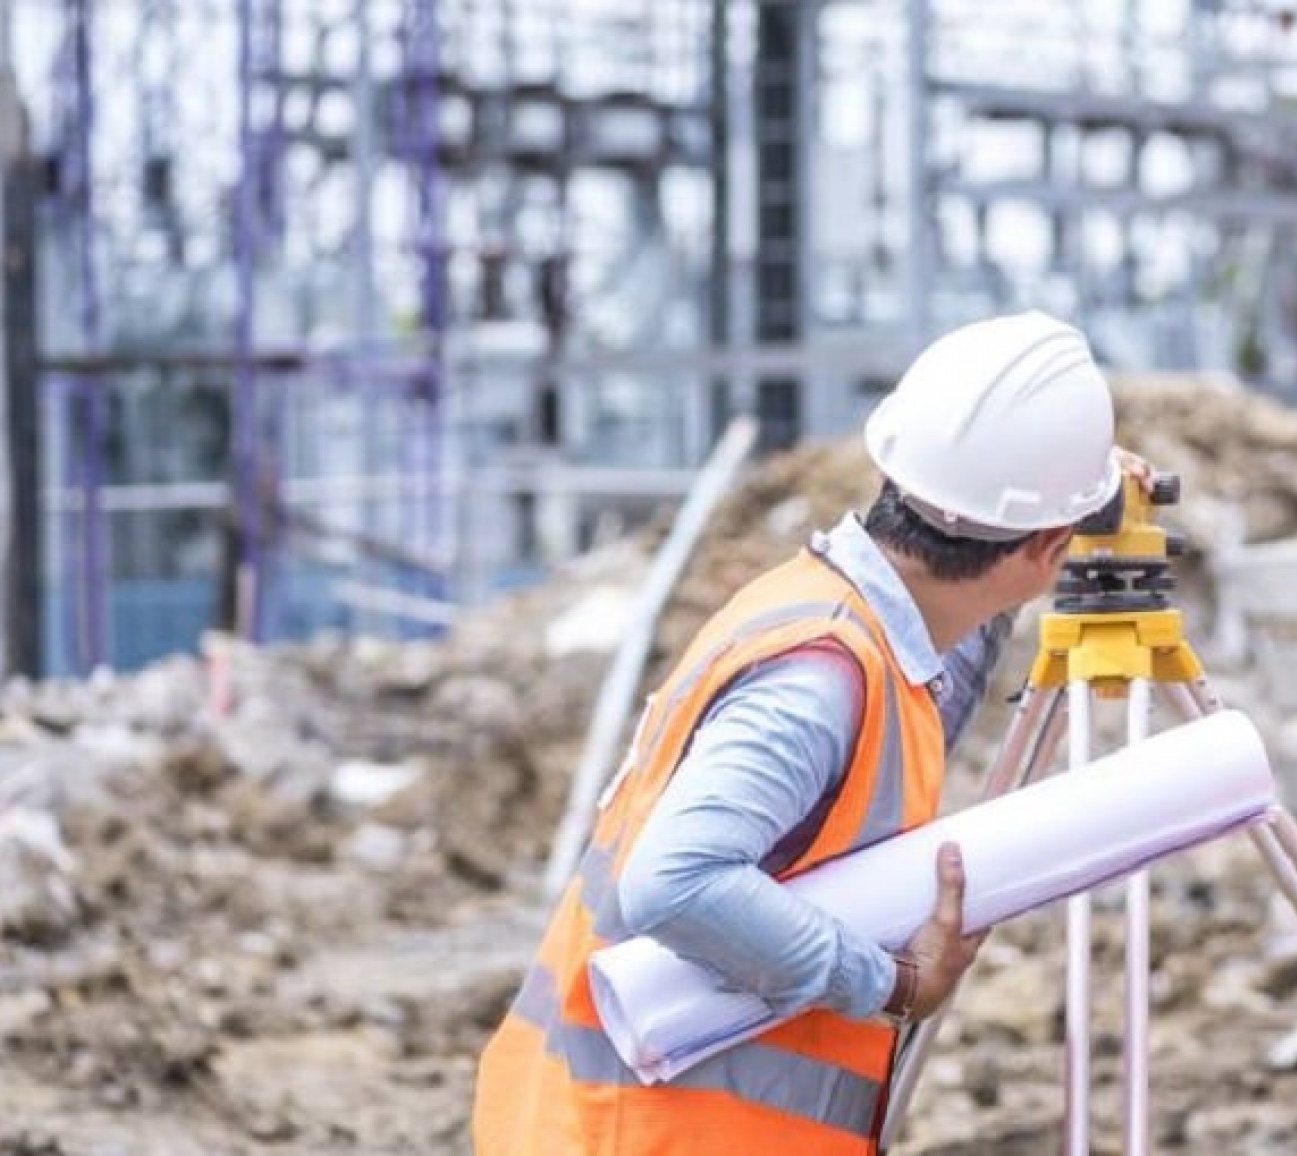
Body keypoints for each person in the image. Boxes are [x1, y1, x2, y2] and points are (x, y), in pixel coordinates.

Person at [473, 310, 1151, 1155]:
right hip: (639, 1134)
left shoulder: (842, 617)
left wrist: (1060, 503)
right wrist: (890, 981)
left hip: (625, 1118)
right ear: (1049, 546)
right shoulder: (821, 675)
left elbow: (947, 640)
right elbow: (673, 881)